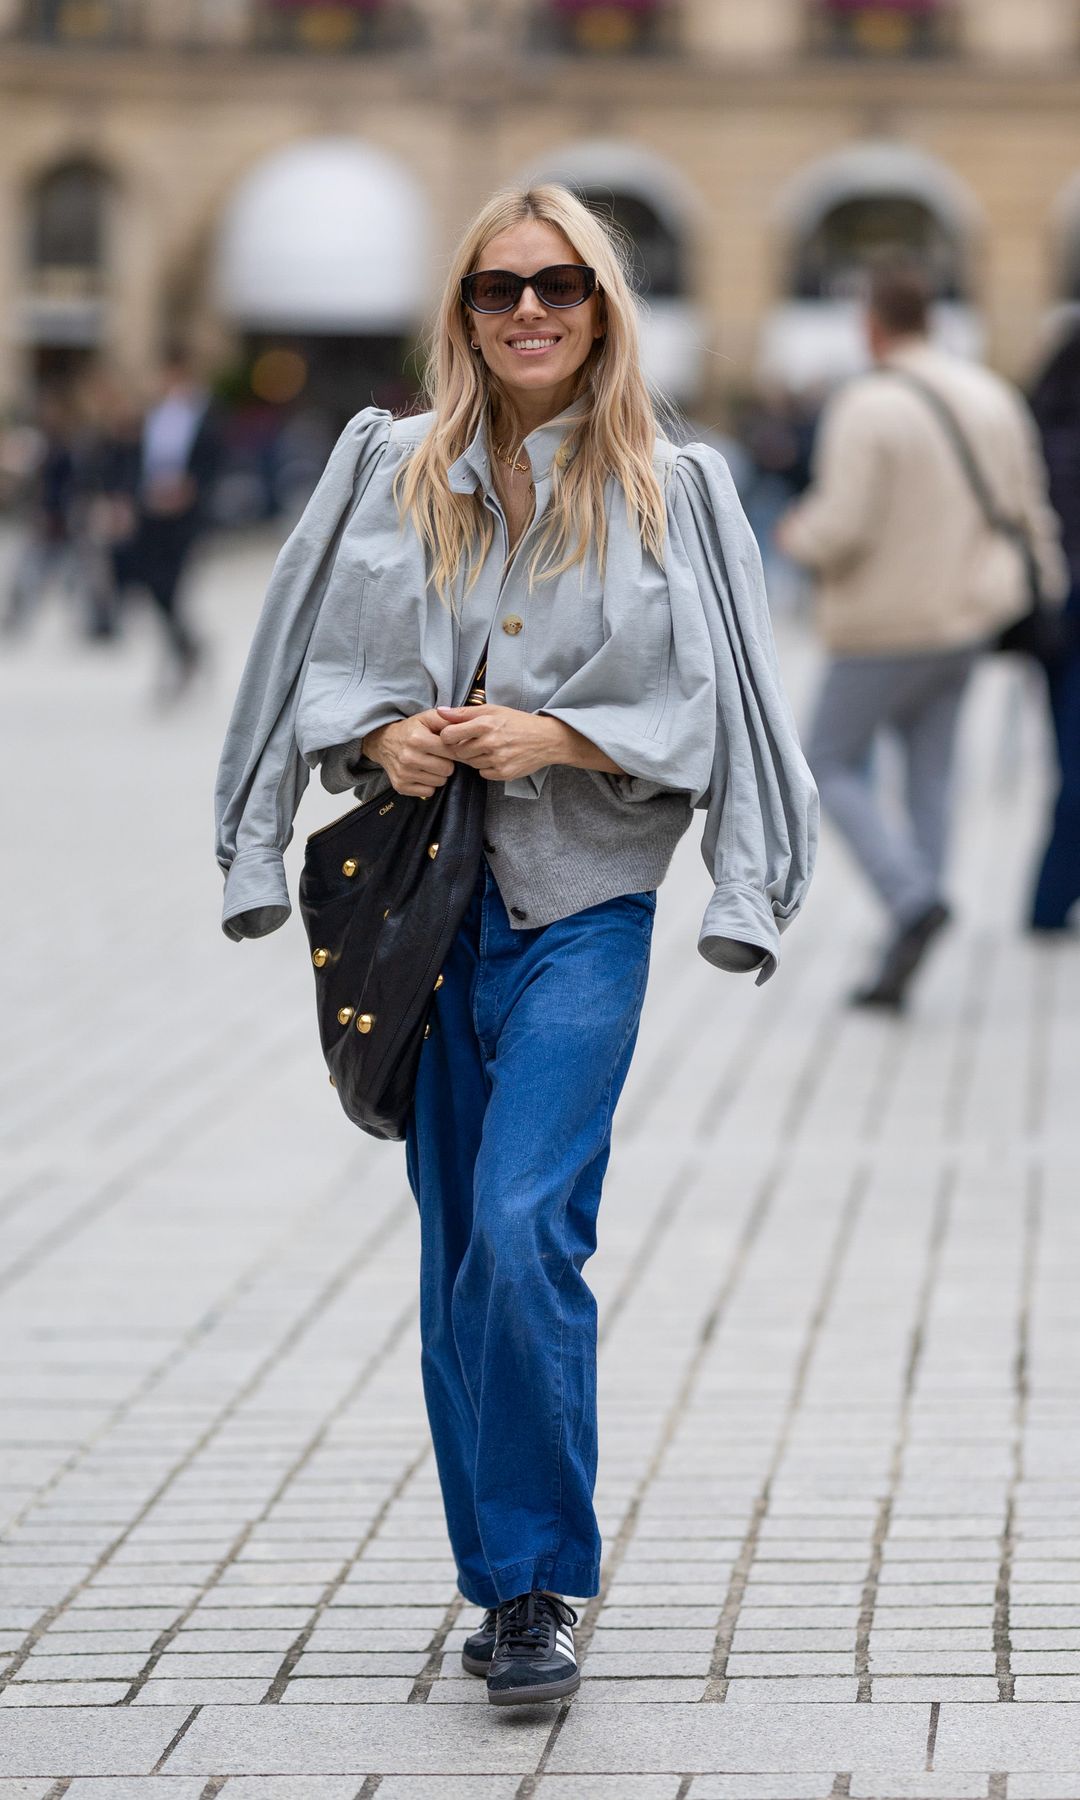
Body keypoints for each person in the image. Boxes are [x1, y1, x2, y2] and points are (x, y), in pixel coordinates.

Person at [215, 185, 816, 1707]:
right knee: (459, 1252)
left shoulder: (680, 486)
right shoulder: (382, 467)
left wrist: (573, 741)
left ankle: (541, 1582)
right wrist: (382, 743)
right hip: (424, 910)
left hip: (583, 914)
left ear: (604, 307)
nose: (530, 311)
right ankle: (498, 1584)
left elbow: (734, 706)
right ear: (464, 310)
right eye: (499, 288)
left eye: (561, 286)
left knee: (527, 1224)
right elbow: (299, 666)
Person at [779, 264, 1066, 1010]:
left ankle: (910, 902)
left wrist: (795, 536)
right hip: (969, 620)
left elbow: (840, 525)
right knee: (932, 775)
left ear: (871, 323)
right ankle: (915, 926)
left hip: (882, 624)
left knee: (826, 762)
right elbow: (1031, 507)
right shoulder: (991, 395)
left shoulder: (868, 404)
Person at [1028, 320, 1080, 933]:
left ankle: (1048, 898)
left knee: (1067, 755)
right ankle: (1047, 902)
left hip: (1057, 614)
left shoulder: (1043, 429)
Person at [130, 347, 219, 692]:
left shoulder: (207, 414)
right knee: (152, 583)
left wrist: (189, 489)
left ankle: (179, 654)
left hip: (186, 516)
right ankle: (187, 646)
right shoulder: (152, 413)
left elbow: (213, 463)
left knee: (174, 585)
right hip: (151, 512)